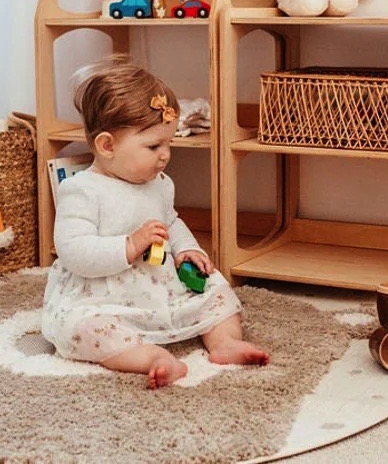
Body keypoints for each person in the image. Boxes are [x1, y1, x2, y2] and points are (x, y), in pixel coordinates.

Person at [41, 56, 269, 388]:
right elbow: (73, 250)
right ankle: (150, 357)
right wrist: (130, 245)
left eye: (169, 143)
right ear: (107, 145)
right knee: (80, 330)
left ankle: (224, 342)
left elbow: (171, 222)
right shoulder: (81, 190)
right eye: (153, 146)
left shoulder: (159, 183)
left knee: (216, 289)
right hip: (102, 294)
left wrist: (187, 250)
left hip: (159, 283)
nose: (165, 155)